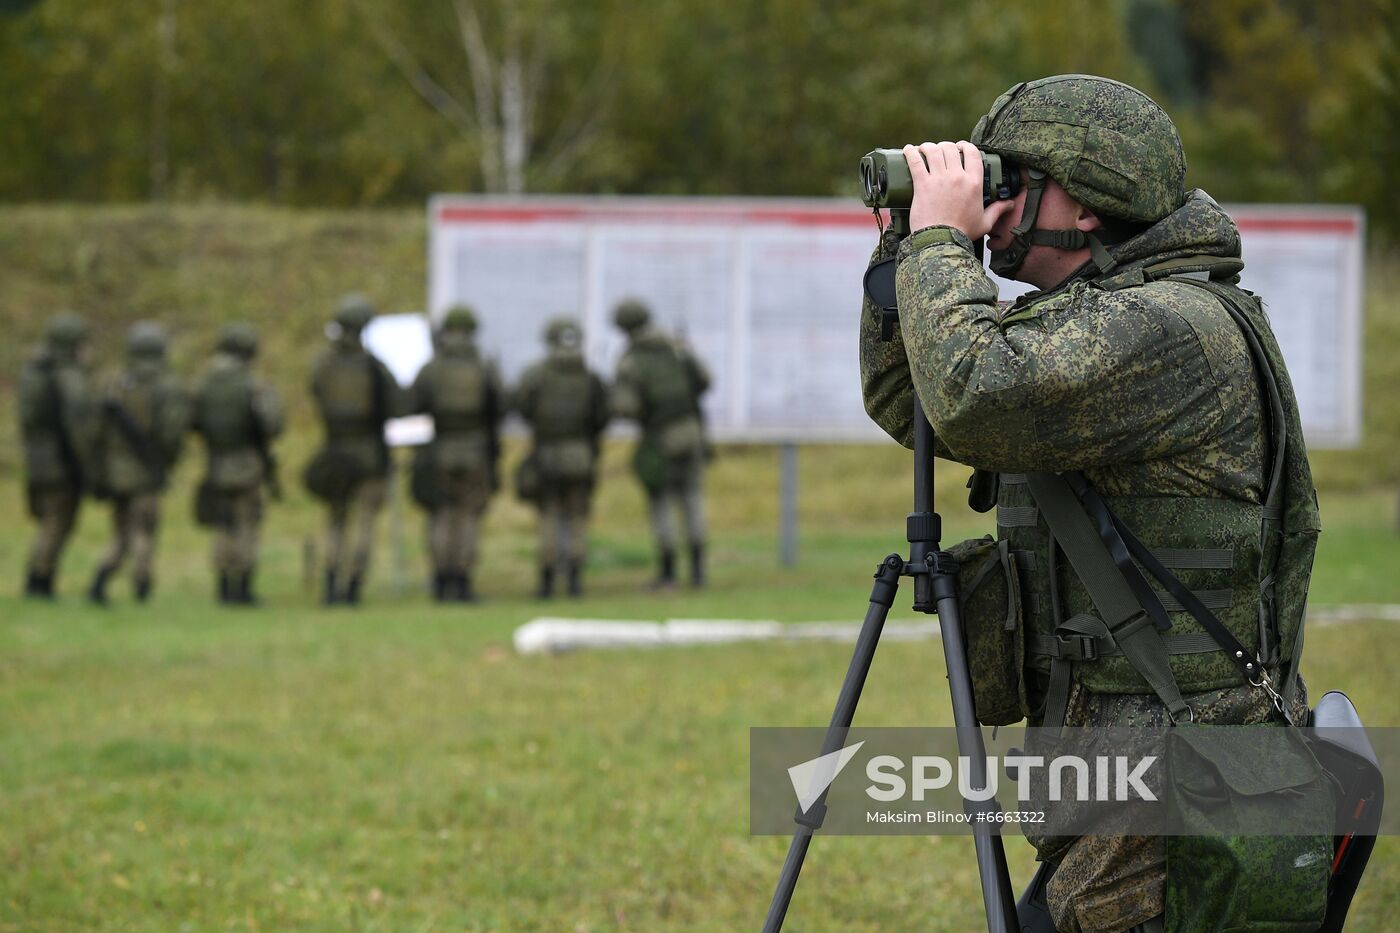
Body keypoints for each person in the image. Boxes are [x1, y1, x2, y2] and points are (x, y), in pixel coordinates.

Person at [859, 75, 1321, 932]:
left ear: (1091, 198)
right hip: (1124, 769)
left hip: (1178, 786)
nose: (992, 202)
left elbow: (973, 390)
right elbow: (917, 403)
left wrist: (937, 245)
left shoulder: (1168, 327)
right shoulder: (1097, 320)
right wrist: (901, 251)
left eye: (1012, 179)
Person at [305, 293, 400, 606]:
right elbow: (397, 403)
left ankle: (331, 582)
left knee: (335, 520)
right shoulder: (373, 367)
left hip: (335, 452)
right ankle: (354, 585)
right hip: (370, 454)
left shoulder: (323, 364)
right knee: (364, 524)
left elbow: (316, 393)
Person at [610, 299, 712, 588]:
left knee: (662, 503)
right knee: (692, 499)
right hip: (692, 433)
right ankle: (698, 572)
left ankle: (668, 573)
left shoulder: (630, 361)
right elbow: (704, 381)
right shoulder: (677, 348)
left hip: (659, 439)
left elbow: (625, 407)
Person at [87, 321, 188, 605]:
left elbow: (95, 429)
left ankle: (100, 579)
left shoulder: (114, 382)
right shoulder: (166, 385)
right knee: (143, 530)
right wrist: (167, 461)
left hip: (113, 472)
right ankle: (141, 585)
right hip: (146, 471)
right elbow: (172, 432)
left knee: (121, 530)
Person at [407, 305, 503, 602]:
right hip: (475, 452)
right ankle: (462, 581)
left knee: (441, 515)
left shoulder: (431, 368)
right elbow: (497, 411)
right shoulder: (484, 367)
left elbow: (411, 407)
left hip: (440, 452)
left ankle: (439, 580)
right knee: (468, 517)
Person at [188, 323, 285, 605]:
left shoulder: (204, 382)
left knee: (222, 524)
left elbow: (190, 419)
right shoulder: (253, 384)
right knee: (247, 525)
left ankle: (222, 586)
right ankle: (242, 587)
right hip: (247, 464)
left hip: (216, 463)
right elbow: (273, 424)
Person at [513, 316, 610, 598]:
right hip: (581, 456)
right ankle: (575, 581)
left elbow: (522, 406)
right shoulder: (589, 377)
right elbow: (602, 415)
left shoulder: (537, 375)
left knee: (549, 516)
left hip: (547, 456)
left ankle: (546, 581)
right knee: (578, 516)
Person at [18, 313, 95, 598]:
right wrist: (87, 465)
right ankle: (40, 580)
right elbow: (78, 424)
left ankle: (38, 578)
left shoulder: (33, 371)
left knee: (48, 521)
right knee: (57, 522)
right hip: (61, 463)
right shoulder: (68, 375)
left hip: (37, 459)